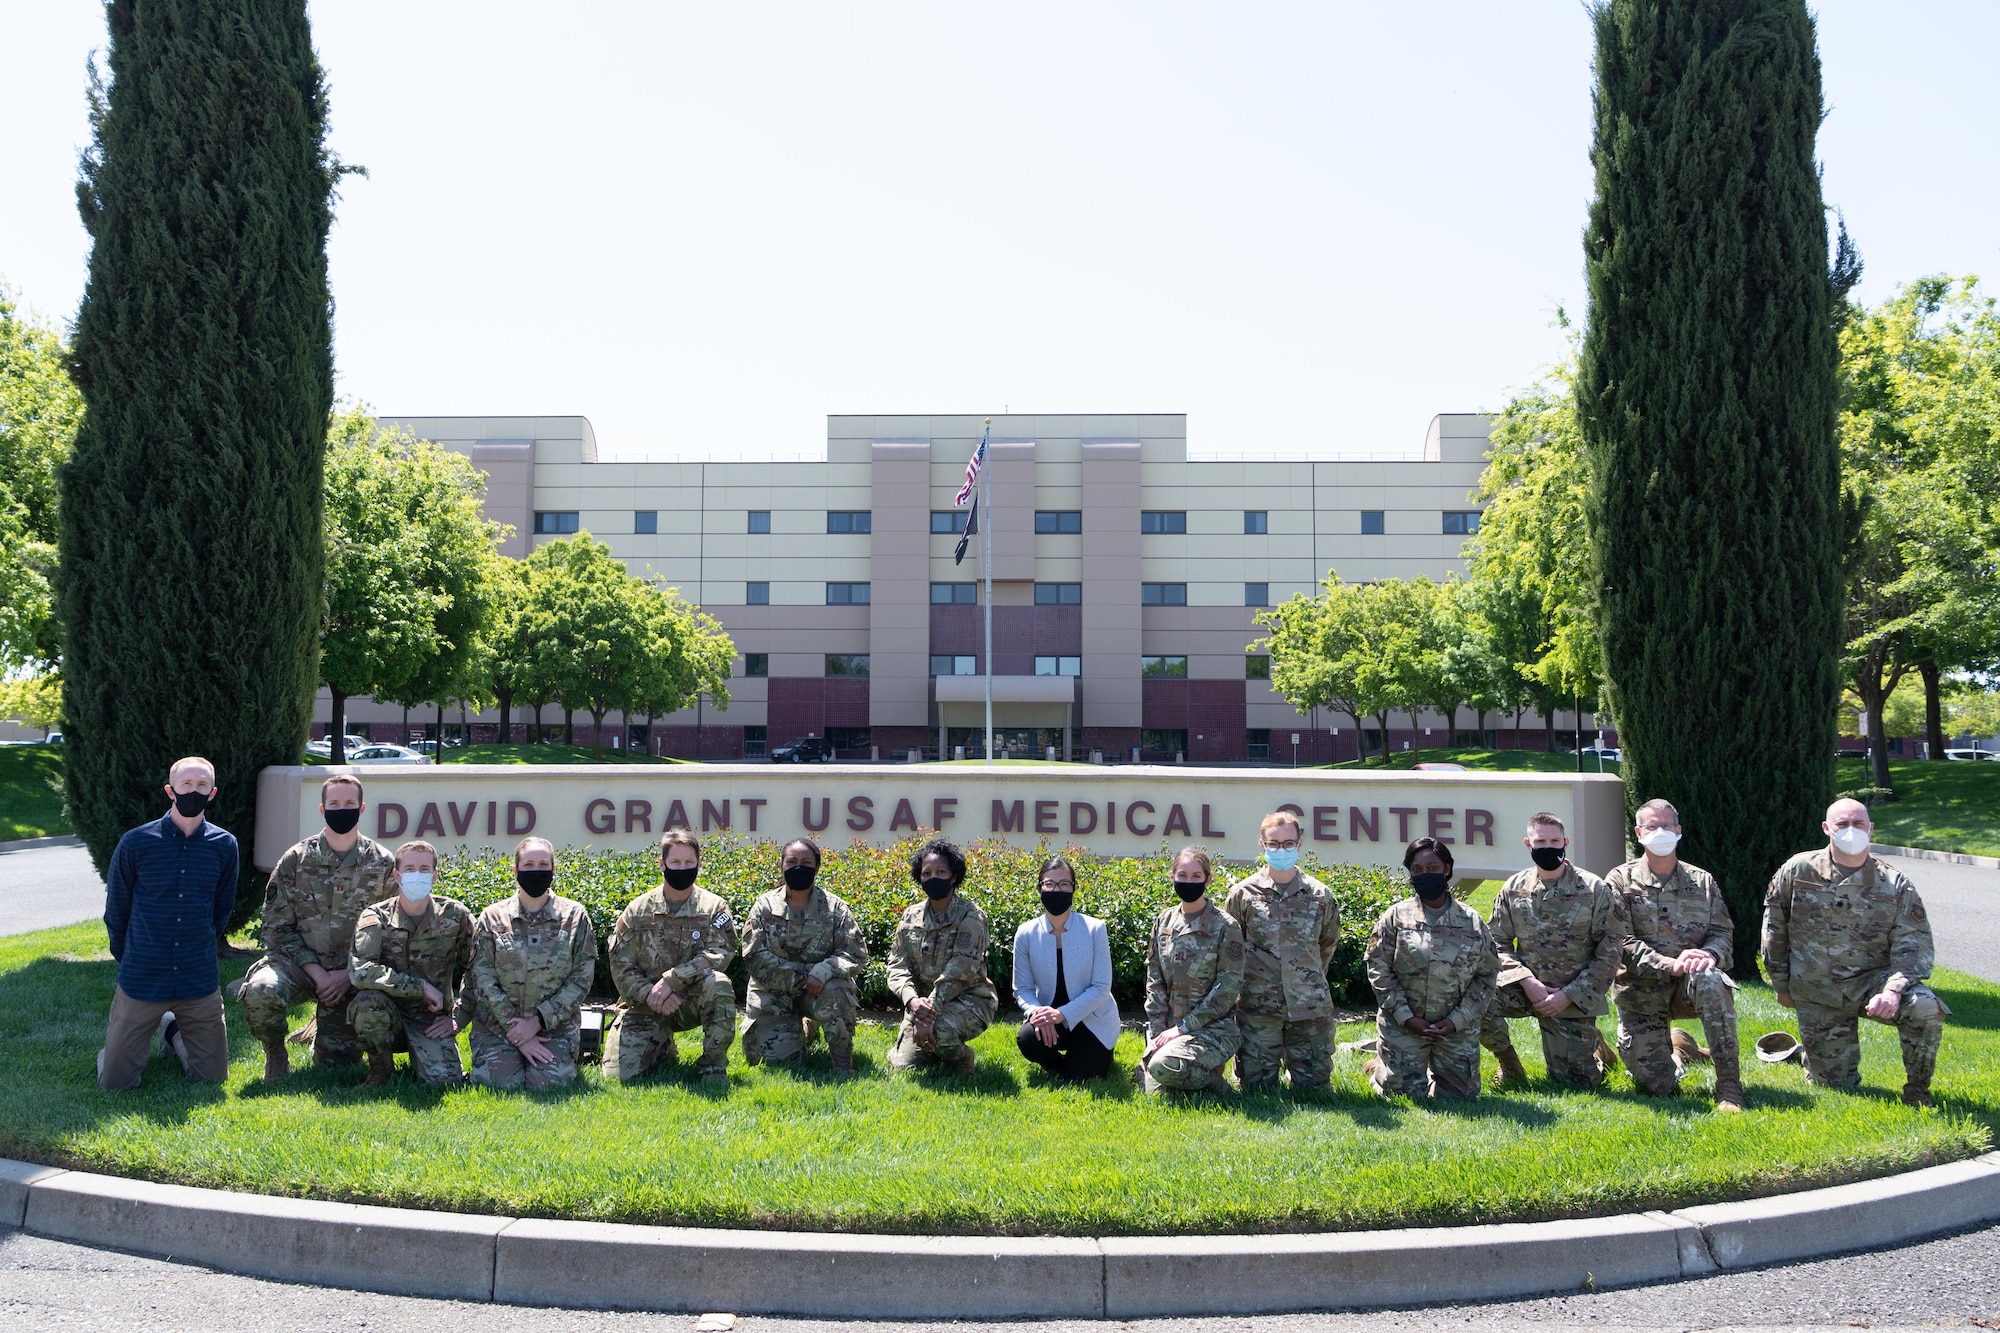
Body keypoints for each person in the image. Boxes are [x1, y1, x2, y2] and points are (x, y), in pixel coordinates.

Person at [1763, 797, 1945, 1107]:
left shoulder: (1894, 883)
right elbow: (1774, 930)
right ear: (1826, 829)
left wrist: (1892, 991)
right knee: (1834, 1084)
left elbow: (1913, 944)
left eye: (1858, 824)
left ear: (1871, 829)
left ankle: (1917, 1091)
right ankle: (1810, 1054)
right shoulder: (1797, 870)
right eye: (1842, 824)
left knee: (1925, 1007)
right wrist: (1781, 985)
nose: (1851, 830)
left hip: (1872, 983)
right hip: (1817, 989)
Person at [237, 775, 396, 1081]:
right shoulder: (295, 861)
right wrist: (318, 973)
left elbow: (390, 934)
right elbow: (276, 928)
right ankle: (276, 1055)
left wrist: (347, 975)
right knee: (260, 992)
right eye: (334, 803)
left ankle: (319, 1029)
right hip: (299, 968)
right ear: (322, 809)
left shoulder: (382, 863)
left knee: (337, 1061)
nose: (342, 809)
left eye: (349, 804)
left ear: (361, 808)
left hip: (353, 974)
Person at [97, 756, 237, 1091]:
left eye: (201, 785)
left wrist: (199, 943)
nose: (193, 790)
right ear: (170, 790)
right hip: (143, 976)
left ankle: (173, 1032)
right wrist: (130, 955)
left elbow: (221, 911)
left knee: (211, 1080)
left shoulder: (224, 845)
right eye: (186, 784)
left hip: (197, 977)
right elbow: (116, 909)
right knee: (116, 1084)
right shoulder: (136, 842)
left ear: (213, 792)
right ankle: (115, 1052)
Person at [1606, 799, 1744, 1111]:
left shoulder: (1702, 881)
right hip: (1640, 992)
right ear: (1639, 833)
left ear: (1678, 831)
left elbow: (1722, 933)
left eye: (1667, 826)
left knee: (1710, 979)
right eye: (1652, 827)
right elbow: (1620, 940)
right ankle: (1681, 1049)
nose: (1661, 832)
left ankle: (1729, 1086)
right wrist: (1671, 964)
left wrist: (1708, 955)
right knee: (1658, 1086)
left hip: (1690, 987)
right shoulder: (1619, 880)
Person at [1480, 811, 1625, 1089]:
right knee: (1473, 998)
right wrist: (1525, 979)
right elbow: (1495, 943)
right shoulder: (1514, 888)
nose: (1548, 847)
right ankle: (1509, 1065)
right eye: (1540, 841)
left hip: (1572, 996)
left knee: (1575, 1083)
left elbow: (1610, 952)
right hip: (1524, 989)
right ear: (1528, 844)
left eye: (1555, 840)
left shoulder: (1594, 889)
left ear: (1565, 842)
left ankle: (1596, 1048)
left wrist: (1569, 995)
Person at [1363, 837, 1498, 1099]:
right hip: (1403, 1025)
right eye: (1417, 870)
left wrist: (1456, 1020)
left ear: (1447, 869)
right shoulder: (1395, 917)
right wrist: (1406, 1017)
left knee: (1461, 1098)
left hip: (1454, 1029)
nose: (1425, 874)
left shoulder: (1471, 921)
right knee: (1400, 1094)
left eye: (1433, 868)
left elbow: (1486, 976)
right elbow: (1378, 969)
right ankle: (1381, 1067)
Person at [606, 828, 739, 1085]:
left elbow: (720, 953)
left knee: (719, 984)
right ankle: (662, 1043)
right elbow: (621, 965)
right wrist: (649, 994)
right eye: (675, 862)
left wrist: (673, 980)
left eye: (689, 862)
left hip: (690, 1001)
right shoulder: (637, 911)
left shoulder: (714, 907)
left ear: (699, 864)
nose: (682, 868)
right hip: (646, 1003)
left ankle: (712, 1067)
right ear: (662, 864)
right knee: (622, 1076)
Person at [1222, 810, 1342, 1092]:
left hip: (1309, 1008)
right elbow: (1232, 948)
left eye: (1289, 843)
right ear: (1262, 845)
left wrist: (1304, 979)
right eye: (1274, 843)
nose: (1281, 849)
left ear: (1299, 844)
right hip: (1258, 1008)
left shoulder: (1320, 895)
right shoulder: (1243, 894)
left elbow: (1327, 945)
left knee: (1314, 1090)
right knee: (1256, 1089)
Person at [465, 836, 596, 1090]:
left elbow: (581, 979)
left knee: (547, 1084)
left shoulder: (575, 916)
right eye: (528, 865)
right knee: (500, 1083)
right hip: (498, 1028)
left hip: (553, 1029)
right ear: (515, 870)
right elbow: (483, 981)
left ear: (553, 869)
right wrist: (519, 1035)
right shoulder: (492, 917)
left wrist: (537, 1022)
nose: (536, 871)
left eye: (543, 864)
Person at [348, 839, 476, 1087]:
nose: (416, 875)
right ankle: (380, 1070)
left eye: (424, 869)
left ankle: (429, 1059)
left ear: (434, 876)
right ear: (397, 876)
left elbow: (480, 966)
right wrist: (420, 987)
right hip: (388, 1015)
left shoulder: (455, 915)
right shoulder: (376, 917)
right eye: (409, 869)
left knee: (444, 1082)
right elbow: (360, 970)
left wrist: (459, 1017)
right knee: (367, 1003)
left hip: (431, 1020)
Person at [740, 836, 867, 1077]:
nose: (799, 867)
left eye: (806, 862)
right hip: (773, 991)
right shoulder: (764, 906)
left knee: (838, 990)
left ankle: (842, 1064)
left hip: (819, 990)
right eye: (792, 861)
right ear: (782, 866)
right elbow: (754, 957)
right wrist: (805, 975)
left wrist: (823, 971)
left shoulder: (835, 908)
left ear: (817, 868)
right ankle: (805, 1028)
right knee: (775, 1061)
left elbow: (855, 953)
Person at [1138, 847, 1245, 1095]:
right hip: (1169, 1030)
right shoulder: (1163, 922)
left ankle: (1214, 1084)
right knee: (1154, 1091)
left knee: (1163, 1067)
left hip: (1213, 1030)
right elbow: (1155, 981)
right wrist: (1156, 1032)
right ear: (1172, 876)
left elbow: (1227, 989)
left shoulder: (1225, 926)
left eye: (1196, 876)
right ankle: (1179, 1070)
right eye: (1182, 875)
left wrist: (1182, 1028)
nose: (1188, 881)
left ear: (1208, 880)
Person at [886, 838, 997, 1073]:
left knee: (939, 1031)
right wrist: (913, 1001)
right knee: (905, 1067)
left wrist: (928, 1013)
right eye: (926, 873)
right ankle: (928, 1049)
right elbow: (897, 965)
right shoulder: (910, 916)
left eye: (940, 871)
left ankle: (962, 1059)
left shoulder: (970, 917)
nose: (932, 878)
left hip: (970, 1000)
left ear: (953, 876)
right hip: (922, 1004)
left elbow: (959, 971)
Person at [1011, 856, 1120, 1082]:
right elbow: (1022, 988)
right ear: (1039, 888)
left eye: (1064, 884)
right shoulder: (1026, 933)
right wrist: (1037, 1014)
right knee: (1028, 1039)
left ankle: (1078, 1062)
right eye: (1049, 884)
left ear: (1073, 889)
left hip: (1093, 1019)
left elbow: (1101, 987)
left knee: (1079, 1076)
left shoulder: (1094, 929)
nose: (1056, 889)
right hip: (1049, 1018)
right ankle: (1061, 1063)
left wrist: (1061, 1014)